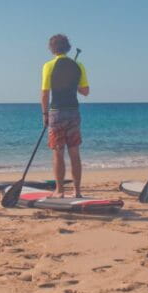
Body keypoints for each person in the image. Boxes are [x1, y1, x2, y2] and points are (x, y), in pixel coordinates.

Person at [40, 34, 89, 198]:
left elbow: (45, 94)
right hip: (73, 111)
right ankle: (77, 191)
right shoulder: (78, 65)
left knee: (58, 152)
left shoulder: (48, 66)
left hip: (57, 111)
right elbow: (85, 91)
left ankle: (60, 191)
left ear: (52, 48)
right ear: (67, 47)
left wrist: (44, 114)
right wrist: (72, 85)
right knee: (74, 152)